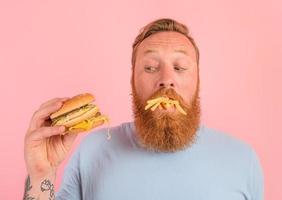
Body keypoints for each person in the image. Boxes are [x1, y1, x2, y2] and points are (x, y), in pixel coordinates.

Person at [23, 18, 264, 200]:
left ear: (198, 80)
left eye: (180, 67)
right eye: (150, 67)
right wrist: (41, 176)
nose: (166, 79)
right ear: (132, 80)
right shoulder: (92, 151)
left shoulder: (244, 160)